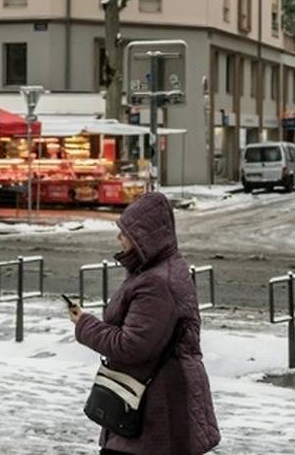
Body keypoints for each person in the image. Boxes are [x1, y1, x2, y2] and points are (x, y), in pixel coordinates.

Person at [68, 192, 220, 455]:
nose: (119, 238)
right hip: (156, 404)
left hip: (157, 411)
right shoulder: (157, 269)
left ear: (143, 236)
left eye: (124, 232)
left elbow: (132, 346)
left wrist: (84, 325)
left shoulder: (156, 283)